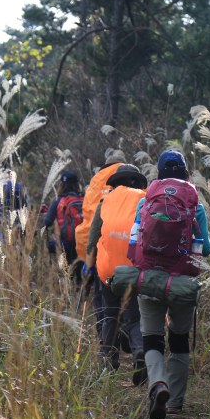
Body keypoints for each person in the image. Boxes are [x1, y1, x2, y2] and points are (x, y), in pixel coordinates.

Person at [132, 150, 210, 419]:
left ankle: (158, 384)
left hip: (148, 278)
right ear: (186, 174)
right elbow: (206, 250)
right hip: (181, 281)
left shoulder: (144, 203)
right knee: (178, 339)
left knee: (152, 337)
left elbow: (133, 245)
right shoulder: (195, 206)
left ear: (159, 174)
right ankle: (175, 402)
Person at [85, 164, 148, 385]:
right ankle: (140, 352)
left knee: (110, 315)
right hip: (133, 269)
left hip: (107, 270)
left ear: (116, 183)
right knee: (133, 317)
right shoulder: (145, 200)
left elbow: (93, 239)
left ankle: (108, 362)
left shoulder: (105, 202)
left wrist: (89, 264)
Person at [74, 150, 126, 340]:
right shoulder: (133, 177)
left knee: (101, 295)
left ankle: (104, 336)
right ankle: (127, 332)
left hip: (98, 246)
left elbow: (88, 218)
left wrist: (88, 257)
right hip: (127, 245)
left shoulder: (96, 180)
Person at [43, 169, 84, 283]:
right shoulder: (85, 198)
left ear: (61, 184)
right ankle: (81, 296)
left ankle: (65, 293)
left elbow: (47, 222)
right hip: (83, 243)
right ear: (77, 184)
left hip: (65, 244)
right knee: (80, 277)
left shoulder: (58, 200)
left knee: (65, 273)